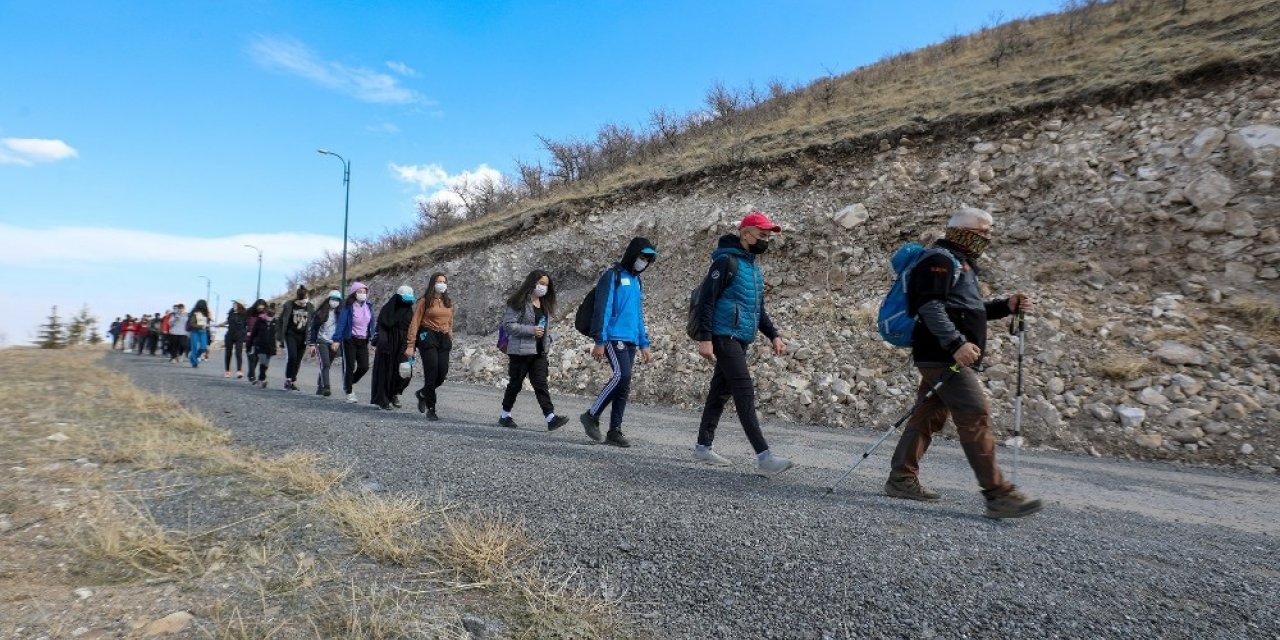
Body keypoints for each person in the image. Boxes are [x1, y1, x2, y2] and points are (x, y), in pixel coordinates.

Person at [885, 207, 1043, 519]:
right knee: (975, 413)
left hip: (939, 354)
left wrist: (1005, 307)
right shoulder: (939, 260)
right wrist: (956, 343)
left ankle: (901, 478)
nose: (988, 236)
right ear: (962, 231)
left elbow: (966, 308)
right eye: (983, 231)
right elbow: (929, 305)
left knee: (926, 416)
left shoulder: (961, 263)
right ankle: (998, 495)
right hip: (943, 355)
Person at [691, 212, 793, 476]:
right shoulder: (725, 262)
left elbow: (757, 309)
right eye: (762, 234)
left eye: (768, 236)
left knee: (720, 392)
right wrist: (705, 338)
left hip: (741, 336)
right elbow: (706, 301)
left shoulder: (753, 267)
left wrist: (774, 335)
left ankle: (703, 446)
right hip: (725, 336)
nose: (766, 240)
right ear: (746, 233)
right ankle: (764, 457)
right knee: (744, 391)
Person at [580, 238, 658, 448]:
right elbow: (603, 309)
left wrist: (644, 343)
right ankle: (591, 415)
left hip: (631, 339)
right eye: (642, 257)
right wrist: (600, 339)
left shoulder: (637, 281)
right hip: (613, 337)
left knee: (624, 384)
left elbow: (638, 315)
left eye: (647, 260)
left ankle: (615, 430)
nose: (644, 262)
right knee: (620, 375)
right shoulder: (612, 276)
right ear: (632, 254)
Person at [499, 270, 568, 431]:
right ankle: (505, 415)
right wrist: (531, 330)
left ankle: (551, 418)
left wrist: (548, 341)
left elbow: (544, 329)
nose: (544, 288)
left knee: (541, 384)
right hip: (520, 351)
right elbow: (508, 325)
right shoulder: (519, 302)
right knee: (515, 384)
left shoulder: (545, 304)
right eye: (541, 284)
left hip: (539, 352)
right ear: (532, 282)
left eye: (546, 285)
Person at [405, 273, 454, 421]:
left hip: (443, 338)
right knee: (431, 371)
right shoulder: (424, 301)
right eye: (439, 281)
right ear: (433, 283)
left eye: (444, 281)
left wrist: (450, 336)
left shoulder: (449, 302)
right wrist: (410, 345)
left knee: (442, 373)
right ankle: (431, 409)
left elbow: (450, 321)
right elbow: (415, 322)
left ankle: (422, 393)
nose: (441, 284)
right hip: (428, 336)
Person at [369, 285, 416, 410]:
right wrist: (383, 343)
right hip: (388, 344)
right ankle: (383, 400)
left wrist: (411, 346)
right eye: (404, 299)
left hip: (403, 344)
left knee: (405, 371)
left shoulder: (410, 312)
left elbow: (413, 329)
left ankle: (395, 392)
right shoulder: (388, 310)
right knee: (386, 372)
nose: (407, 302)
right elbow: (381, 326)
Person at [334, 282, 375, 404]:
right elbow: (341, 323)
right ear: (354, 293)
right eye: (360, 292)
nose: (363, 294)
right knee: (350, 366)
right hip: (350, 340)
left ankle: (349, 382)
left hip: (363, 340)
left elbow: (372, 324)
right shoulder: (348, 307)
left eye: (364, 292)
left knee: (364, 367)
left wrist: (374, 337)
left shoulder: (369, 307)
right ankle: (349, 392)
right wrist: (336, 339)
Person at [277, 286, 315, 391]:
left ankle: (292, 381)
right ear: (298, 298)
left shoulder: (310, 307)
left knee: (298, 360)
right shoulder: (289, 305)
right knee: (292, 356)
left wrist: (311, 339)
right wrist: (280, 336)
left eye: (307, 298)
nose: (305, 301)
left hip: (303, 336)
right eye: (303, 299)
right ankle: (288, 379)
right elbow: (281, 320)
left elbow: (313, 322)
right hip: (291, 334)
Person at [308, 290, 342, 397]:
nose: (335, 302)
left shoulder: (341, 314)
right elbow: (313, 329)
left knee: (326, 366)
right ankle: (326, 387)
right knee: (325, 364)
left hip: (333, 343)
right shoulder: (320, 313)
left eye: (337, 300)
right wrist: (312, 344)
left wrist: (338, 342)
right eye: (333, 299)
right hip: (321, 341)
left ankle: (320, 386)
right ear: (328, 299)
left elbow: (342, 330)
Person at [245, 300, 277, 388]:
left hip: (270, 347)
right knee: (262, 362)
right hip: (260, 345)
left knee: (266, 365)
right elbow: (253, 333)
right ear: (267, 312)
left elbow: (275, 336)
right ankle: (261, 380)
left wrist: (276, 347)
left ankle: (261, 378)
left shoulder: (275, 322)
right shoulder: (260, 320)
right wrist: (249, 345)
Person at [221, 301, 247, 378]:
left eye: (235, 304)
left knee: (238, 353)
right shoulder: (231, 312)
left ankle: (239, 371)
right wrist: (221, 324)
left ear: (240, 305)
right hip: (230, 334)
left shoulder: (244, 314)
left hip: (239, 335)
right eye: (233, 304)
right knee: (228, 353)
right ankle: (227, 371)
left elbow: (247, 323)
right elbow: (227, 321)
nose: (234, 305)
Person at [186, 300, 212, 368]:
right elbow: (192, 324)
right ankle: (194, 362)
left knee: (203, 347)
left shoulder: (206, 313)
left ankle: (193, 357)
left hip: (203, 332)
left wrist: (209, 318)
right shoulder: (195, 313)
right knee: (194, 347)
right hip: (195, 332)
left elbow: (207, 323)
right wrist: (201, 326)